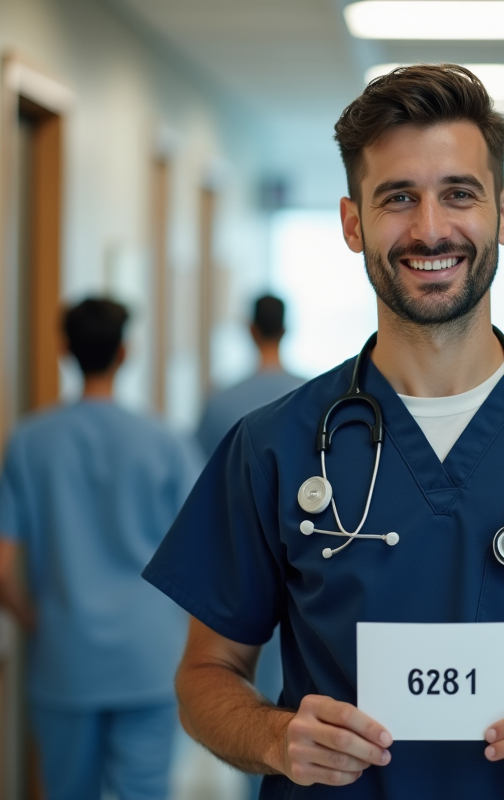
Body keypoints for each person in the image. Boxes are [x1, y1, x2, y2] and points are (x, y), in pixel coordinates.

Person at [143, 65, 504, 799]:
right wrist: (270, 736)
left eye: (459, 193)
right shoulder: (272, 447)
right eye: (397, 198)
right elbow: (206, 672)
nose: (429, 228)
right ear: (353, 222)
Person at [0, 298, 199, 800]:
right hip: (148, 657)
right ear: (126, 353)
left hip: (66, 657)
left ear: (64, 350)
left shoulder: (29, 441)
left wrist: (42, 621)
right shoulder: (163, 441)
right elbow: (202, 550)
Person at [195, 293, 304, 797]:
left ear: (248, 329)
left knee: (243, 702)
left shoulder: (221, 401)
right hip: (300, 562)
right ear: (286, 329)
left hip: (242, 561)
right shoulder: (309, 399)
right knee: (294, 680)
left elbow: (205, 496)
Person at [196, 293, 306, 457]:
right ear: (284, 331)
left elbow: (200, 465)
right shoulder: (309, 394)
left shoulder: (220, 401)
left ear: (252, 330)